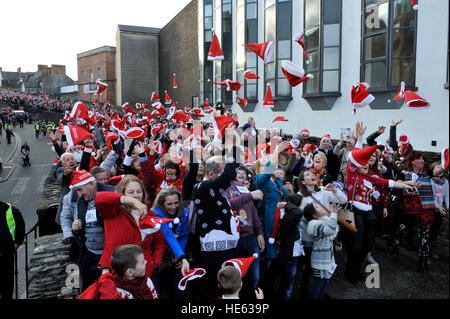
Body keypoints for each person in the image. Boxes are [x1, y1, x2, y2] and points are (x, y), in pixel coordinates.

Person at [344, 122, 415, 284]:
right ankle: (351, 271)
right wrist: (360, 137)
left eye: (368, 161)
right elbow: (355, 155)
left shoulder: (371, 177)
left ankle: (357, 268)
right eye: (363, 161)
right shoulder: (352, 173)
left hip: (368, 213)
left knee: (367, 245)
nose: (365, 163)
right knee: (356, 245)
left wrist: (405, 185)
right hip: (355, 212)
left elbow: (387, 182)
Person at [191, 130, 242, 299]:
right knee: (217, 290)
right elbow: (229, 176)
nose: (228, 181)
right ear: (212, 175)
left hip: (226, 249)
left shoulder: (211, 191)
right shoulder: (203, 188)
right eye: (220, 174)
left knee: (227, 292)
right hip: (216, 253)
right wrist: (234, 147)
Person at [94, 175, 166, 279]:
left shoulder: (150, 215)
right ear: (123, 194)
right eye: (131, 192)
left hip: (143, 272)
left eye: (139, 191)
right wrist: (128, 201)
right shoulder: (113, 211)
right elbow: (99, 198)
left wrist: (154, 263)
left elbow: (159, 242)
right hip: (117, 272)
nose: (136, 195)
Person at [296, 169, 347, 298]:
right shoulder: (300, 196)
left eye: (312, 173)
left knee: (324, 265)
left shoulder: (323, 191)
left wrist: (335, 190)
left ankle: (320, 290)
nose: (312, 174)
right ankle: (304, 289)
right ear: (303, 181)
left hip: (325, 236)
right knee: (309, 266)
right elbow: (301, 217)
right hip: (310, 237)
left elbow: (343, 200)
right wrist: (316, 219)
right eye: (307, 175)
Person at [60, 170, 114, 290]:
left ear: (91, 184)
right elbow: (83, 227)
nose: (78, 194)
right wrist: (76, 229)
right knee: (89, 290)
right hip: (89, 254)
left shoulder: (110, 193)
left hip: (109, 255)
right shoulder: (82, 200)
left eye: (80, 190)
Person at [253, 140, 290, 297]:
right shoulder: (260, 180)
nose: (268, 165)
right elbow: (267, 172)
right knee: (266, 258)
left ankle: (270, 286)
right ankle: (261, 289)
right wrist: (275, 151)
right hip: (267, 223)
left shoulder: (279, 180)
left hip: (281, 222)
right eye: (264, 164)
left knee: (279, 259)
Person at [224, 166, 265, 298]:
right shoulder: (225, 188)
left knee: (254, 277)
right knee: (234, 277)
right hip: (233, 240)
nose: (241, 174)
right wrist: (249, 195)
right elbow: (229, 205)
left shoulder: (245, 190)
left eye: (244, 173)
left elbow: (253, 213)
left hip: (250, 239)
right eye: (238, 172)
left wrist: (259, 233)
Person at [150, 186, 190, 299]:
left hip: (175, 260)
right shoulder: (155, 214)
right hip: (157, 260)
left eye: (176, 203)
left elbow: (184, 235)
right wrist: (181, 256)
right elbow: (168, 235)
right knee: (156, 294)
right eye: (169, 204)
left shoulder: (184, 213)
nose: (173, 207)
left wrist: (179, 255)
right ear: (162, 203)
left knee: (179, 293)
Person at [303, 202, 340, 299]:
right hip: (320, 261)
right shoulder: (315, 225)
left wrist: (336, 245)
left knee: (325, 281)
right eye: (316, 206)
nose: (319, 206)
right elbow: (331, 230)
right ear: (314, 215)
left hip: (326, 258)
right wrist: (333, 214)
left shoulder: (322, 222)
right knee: (320, 282)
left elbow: (329, 236)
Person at [274, 193, 303, 299]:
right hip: (290, 253)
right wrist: (287, 204)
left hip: (292, 252)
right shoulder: (289, 216)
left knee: (287, 280)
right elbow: (298, 212)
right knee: (288, 281)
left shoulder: (288, 214)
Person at [0, 201, 25, 299]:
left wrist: (16, 244)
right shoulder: (8, 209)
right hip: (6, 255)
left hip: (5, 256)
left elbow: (20, 225)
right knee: (7, 289)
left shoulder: (9, 209)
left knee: (6, 289)